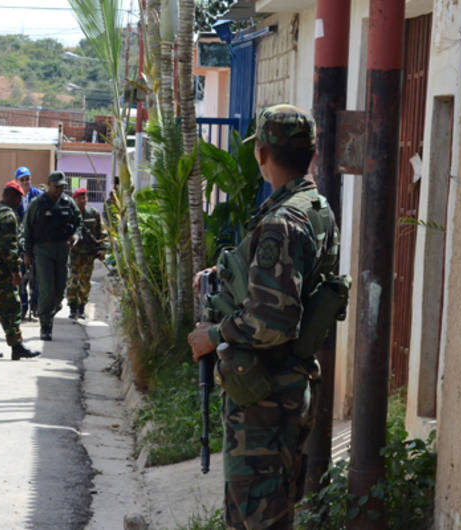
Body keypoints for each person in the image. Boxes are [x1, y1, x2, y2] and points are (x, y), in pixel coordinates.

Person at [187, 104, 340, 529]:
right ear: (309, 153)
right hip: (280, 391)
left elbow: (273, 322)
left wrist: (213, 334)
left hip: (266, 399)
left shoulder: (282, 223)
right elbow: (292, 283)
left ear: (262, 154)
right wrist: (227, 275)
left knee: (257, 519)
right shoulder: (313, 208)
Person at [0, 181, 40, 361]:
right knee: (12, 306)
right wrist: (15, 271)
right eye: (18, 197)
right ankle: (16, 346)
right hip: (2, 269)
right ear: (10, 195)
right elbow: (8, 247)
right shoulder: (8, 216)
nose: (20, 201)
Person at [23, 170, 82, 341]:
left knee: (60, 290)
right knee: (47, 288)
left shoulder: (68, 202)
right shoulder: (37, 203)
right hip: (42, 251)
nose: (59, 190)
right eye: (56, 186)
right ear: (49, 185)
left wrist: (76, 236)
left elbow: (79, 222)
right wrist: (27, 252)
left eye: (62, 186)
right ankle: (45, 325)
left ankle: (48, 311)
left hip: (62, 250)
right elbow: (27, 228)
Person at [66, 188, 107, 320]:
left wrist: (102, 249)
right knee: (73, 280)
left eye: (85, 197)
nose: (83, 200)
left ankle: (81, 308)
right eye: (80, 198)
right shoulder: (70, 214)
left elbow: (102, 233)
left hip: (89, 254)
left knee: (85, 282)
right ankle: (72, 307)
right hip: (74, 254)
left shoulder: (93, 213)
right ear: (75, 200)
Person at [14, 166, 43, 321]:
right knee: (20, 279)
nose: (25, 182)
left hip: (37, 245)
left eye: (27, 179)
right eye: (22, 179)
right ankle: (23, 307)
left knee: (37, 279)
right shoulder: (14, 196)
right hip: (19, 246)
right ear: (17, 181)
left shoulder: (39, 196)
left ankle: (35, 306)